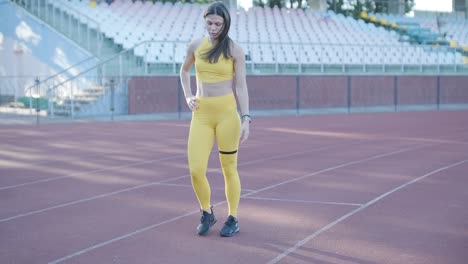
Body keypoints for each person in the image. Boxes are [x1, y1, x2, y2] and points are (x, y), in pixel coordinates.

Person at [179, 1, 250, 237]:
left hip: (228, 115)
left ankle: (233, 217)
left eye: (218, 24)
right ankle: (206, 212)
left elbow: (241, 86)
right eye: (209, 23)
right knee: (195, 170)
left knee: (229, 168)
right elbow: (184, 71)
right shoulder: (195, 46)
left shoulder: (234, 50)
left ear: (225, 23)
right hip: (201, 115)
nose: (213, 27)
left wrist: (246, 118)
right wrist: (188, 95)